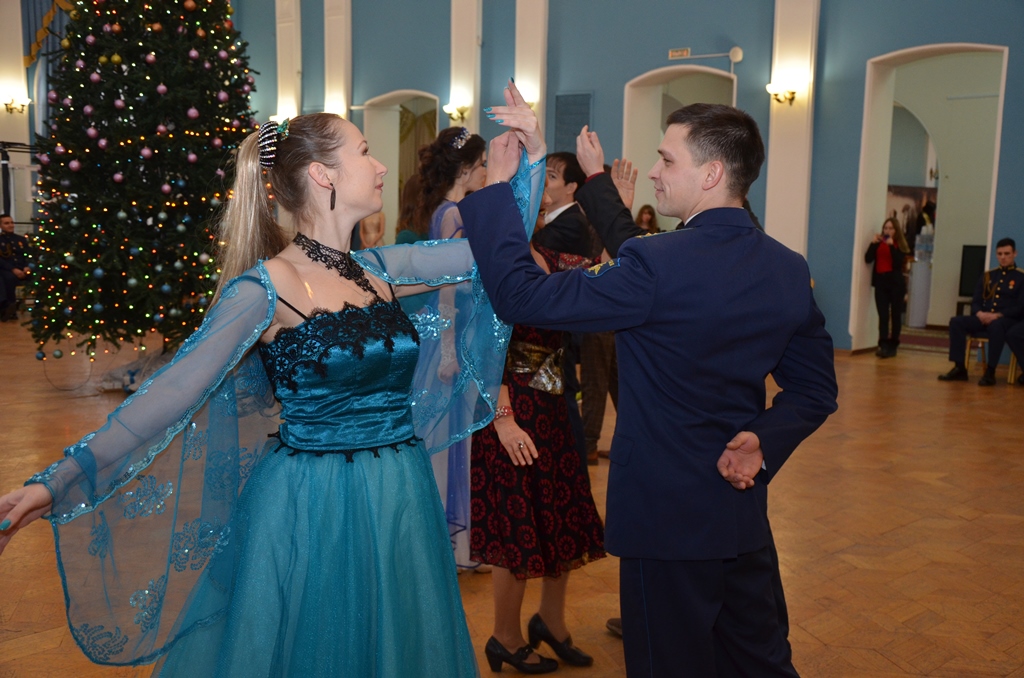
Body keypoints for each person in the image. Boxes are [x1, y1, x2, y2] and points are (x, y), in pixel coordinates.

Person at [0, 104, 545, 676]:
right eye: (364, 152)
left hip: (399, 496)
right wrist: (57, 481)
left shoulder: (380, 269)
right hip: (315, 502)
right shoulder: (265, 289)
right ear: (323, 174)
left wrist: (530, 160)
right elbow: (167, 395)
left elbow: (490, 254)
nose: (382, 166)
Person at [462, 103, 839, 677]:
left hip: (664, 520)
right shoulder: (786, 267)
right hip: (740, 515)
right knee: (758, 662)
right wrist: (765, 439)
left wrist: (495, 190)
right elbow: (815, 388)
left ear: (711, 173)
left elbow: (521, 296)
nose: (655, 172)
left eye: (667, 159)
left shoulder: (655, 264)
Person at [469, 155, 606, 672]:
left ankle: (552, 622)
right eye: (526, 201)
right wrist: (503, 418)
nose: (536, 207)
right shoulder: (487, 264)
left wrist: (605, 191)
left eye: (538, 202)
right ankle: (504, 636)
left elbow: (608, 270)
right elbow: (479, 347)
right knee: (517, 527)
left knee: (561, 516)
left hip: (552, 408)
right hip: (510, 414)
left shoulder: (551, 256)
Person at [408, 125, 487, 569]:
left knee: (450, 435)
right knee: (451, 437)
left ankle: (454, 543)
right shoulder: (453, 213)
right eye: (482, 165)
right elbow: (447, 288)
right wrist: (450, 350)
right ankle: (452, 545)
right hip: (450, 334)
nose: (486, 172)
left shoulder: (442, 209)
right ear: (466, 168)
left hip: (447, 333)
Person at [938, 238, 1024, 386]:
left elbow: (1020, 307)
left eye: (1007, 254)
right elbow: (976, 301)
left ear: (1014, 254)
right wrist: (979, 313)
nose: (1003, 257)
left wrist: (997, 315)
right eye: (1000, 254)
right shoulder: (988, 275)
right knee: (956, 322)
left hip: (1006, 318)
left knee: (996, 326)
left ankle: (990, 372)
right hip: (984, 316)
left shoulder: (1021, 277)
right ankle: (959, 368)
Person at [864, 217, 910, 358]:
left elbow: (897, 263)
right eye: (885, 228)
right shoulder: (879, 244)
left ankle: (893, 344)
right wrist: (873, 243)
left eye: (890, 228)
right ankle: (883, 345)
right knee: (883, 316)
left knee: (895, 316)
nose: (887, 231)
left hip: (896, 284)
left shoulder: (899, 245)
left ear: (896, 231)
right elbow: (868, 258)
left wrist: (891, 246)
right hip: (881, 283)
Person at [0, 212, 31, 321]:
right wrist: (13, 269)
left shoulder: (21, 240)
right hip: (8, 269)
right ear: (1, 226)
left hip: (23, 269)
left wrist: (27, 266)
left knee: (40, 276)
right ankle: (9, 307)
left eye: (12, 223)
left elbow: (29, 255)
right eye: (6, 223)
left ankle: (39, 308)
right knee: (8, 278)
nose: (11, 225)